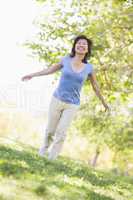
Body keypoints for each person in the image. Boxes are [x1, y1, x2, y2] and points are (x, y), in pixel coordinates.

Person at [21, 35, 109, 160]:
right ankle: (43, 151)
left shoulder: (89, 68)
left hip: (72, 104)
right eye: (79, 43)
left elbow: (95, 86)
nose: (81, 45)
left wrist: (104, 102)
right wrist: (32, 75)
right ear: (75, 46)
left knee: (61, 132)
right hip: (57, 99)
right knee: (50, 130)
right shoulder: (66, 60)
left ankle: (52, 158)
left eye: (84, 44)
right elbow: (50, 70)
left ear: (87, 49)